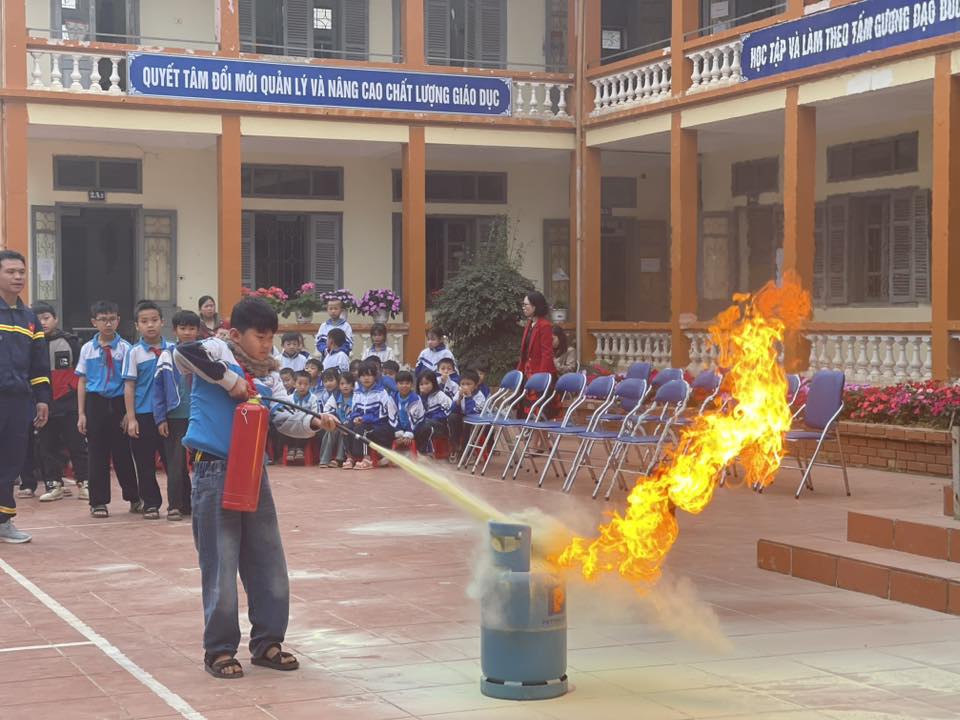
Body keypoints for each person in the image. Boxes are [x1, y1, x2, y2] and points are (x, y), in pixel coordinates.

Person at [174, 297, 337, 680]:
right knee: (221, 562)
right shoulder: (216, 351)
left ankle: (267, 643)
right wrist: (232, 382)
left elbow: (282, 417)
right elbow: (182, 353)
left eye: (270, 338)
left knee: (267, 560)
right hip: (213, 470)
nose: (266, 345)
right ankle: (219, 650)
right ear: (236, 334)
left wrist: (316, 423)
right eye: (259, 337)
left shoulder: (270, 375)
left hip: (253, 472)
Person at [0, 250, 50, 543]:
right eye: (10, 272)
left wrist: (42, 398)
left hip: (19, 401)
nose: (18, 277)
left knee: (11, 461)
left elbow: (39, 365)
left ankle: (4, 522)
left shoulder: (30, 318)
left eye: (21, 272)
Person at [77, 301, 139, 519]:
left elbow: (132, 383)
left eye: (112, 319)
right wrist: (81, 413)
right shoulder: (87, 349)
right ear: (94, 322)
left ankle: (134, 497)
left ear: (118, 320)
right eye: (103, 319)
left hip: (119, 402)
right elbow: (82, 381)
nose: (108, 324)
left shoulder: (126, 349)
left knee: (123, 453)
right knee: (97, 454)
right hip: (95, 403)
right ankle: (98, 502)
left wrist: (129, 413)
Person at [32, 301, 87, 502]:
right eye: (38, 320)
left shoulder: (71, 342)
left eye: (46, 318)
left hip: (69, 403)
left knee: (77, 445)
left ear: (55, 319)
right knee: (47, 446)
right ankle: (54, 484)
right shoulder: (29, 344)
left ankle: (85, 483)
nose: (43, 323)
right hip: (43, 405)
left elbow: (82, 373)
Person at [122, 300, 170, 520]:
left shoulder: (172, 349)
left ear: (162, 322)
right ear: (137, 325)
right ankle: (151, 503)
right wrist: (131, 418)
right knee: (144, 463)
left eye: (154, 320)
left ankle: (180, 502)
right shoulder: (134, 353)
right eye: (144, 321)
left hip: (169, 414)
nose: (150, 325)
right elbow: (129, 386)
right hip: (143, 414)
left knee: (173, 461)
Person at [153, 309, 200, 521]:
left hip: (200, 415)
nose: (187, 332)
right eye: (183, 328)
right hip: (175, 416)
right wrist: (160, 418)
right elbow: (158, 389)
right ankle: (175, 505)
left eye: (191, 328)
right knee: (175, 463)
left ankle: (196, 504)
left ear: (198, 330)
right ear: (175, 330)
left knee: (203, 462)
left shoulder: (204, 353)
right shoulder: (167, 355)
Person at [345, 361, 397, 470]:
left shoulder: (381, 393)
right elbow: (354, 410)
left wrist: (364, 418)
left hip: (380, 426)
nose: (366, 378)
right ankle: (350, 458)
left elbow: (382, 415)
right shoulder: (357, 393)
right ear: (359, 377)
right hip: (363, 422)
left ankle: (366, 459)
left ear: (374, 376)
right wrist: (355, 418)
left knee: (363, 430)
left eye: (369, 375)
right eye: (363, 375)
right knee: (346, 427)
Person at [518, 291, 557, 418]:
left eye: (526, 305)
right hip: (527, 372)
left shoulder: (544, 325)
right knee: (525, 409)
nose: (523, 307)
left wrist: (542, 377)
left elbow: (547, 353)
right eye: (523, 304)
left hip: (539, 372)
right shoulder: (529, 324)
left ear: (535, 307)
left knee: (538, 410)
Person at [449, 368, 485, 462]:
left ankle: (466, 451)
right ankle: (456, 446)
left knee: (467, 423)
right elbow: (453, 410)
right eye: (463, 384)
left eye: (469, 384)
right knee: (452, 417)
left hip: (474, 419)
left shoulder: (479, 396)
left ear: (476, 385)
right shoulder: (459, 393)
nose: (465, 387)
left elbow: (473, 413)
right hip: (462, 417)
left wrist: (469, 398)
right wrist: (459, 399)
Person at [320, 371, 355, 468]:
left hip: (350, 425)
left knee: (344, 430)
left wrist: (346, 423)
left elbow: (356, 412)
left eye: (348, 383)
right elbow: (327, 410)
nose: (345, 386)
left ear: (353, 385)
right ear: (339, 386)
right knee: (330, 431)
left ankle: (339, 459)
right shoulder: (335, 396)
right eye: (342, 384)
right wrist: (334, 419)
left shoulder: (356, 397)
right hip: (337, 423)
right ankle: (324, 460)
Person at [284, 371, 319, 463]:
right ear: (294, 384)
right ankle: (291, 449)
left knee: (304, 425)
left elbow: (315, 413)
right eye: (299, 384)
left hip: (306, 424)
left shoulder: (313, 398)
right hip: (292, 423)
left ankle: (300, 449)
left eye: (306, 384)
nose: (302, 387)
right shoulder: (289, 399)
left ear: (310, 385)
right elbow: (286, 412)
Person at [417, 370, 452, 456]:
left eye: (427, 383)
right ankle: (415, 451)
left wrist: (431, 418)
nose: (424, 386)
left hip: (441, 426)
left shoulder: (440, 395)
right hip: (426, 423)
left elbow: (449, 412)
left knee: (425, 425)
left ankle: (425, 452)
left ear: (433, 383)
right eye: (421, 384)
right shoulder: (418, 397)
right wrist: (422, 397)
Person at [394, 370, 425, 451]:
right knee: (383, 428)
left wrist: (409, 433)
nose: (404, 386)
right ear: (396, 384)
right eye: (401, 383)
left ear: (412, 385)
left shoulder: (416, 399)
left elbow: (416, 419)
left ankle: (422, 451)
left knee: (425, 428)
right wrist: (398, 432)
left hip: (414, 427)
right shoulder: (393, 397)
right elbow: (392, 416)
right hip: (399, 426)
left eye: (407, 383)